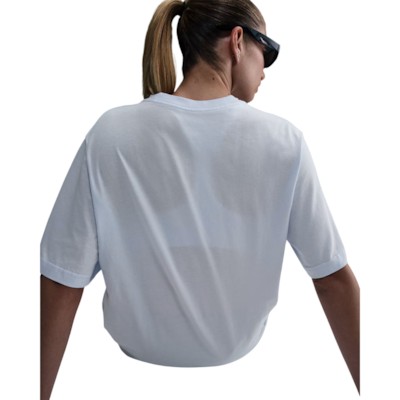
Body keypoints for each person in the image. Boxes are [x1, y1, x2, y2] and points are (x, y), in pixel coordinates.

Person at [40, 0, 360, 398]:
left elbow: (62, 277)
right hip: (243, 377)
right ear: (238, 41)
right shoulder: (281, 142)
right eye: (268, 51)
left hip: (127, 377)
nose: (265, 70)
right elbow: (331, 279)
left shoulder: (111, 133)